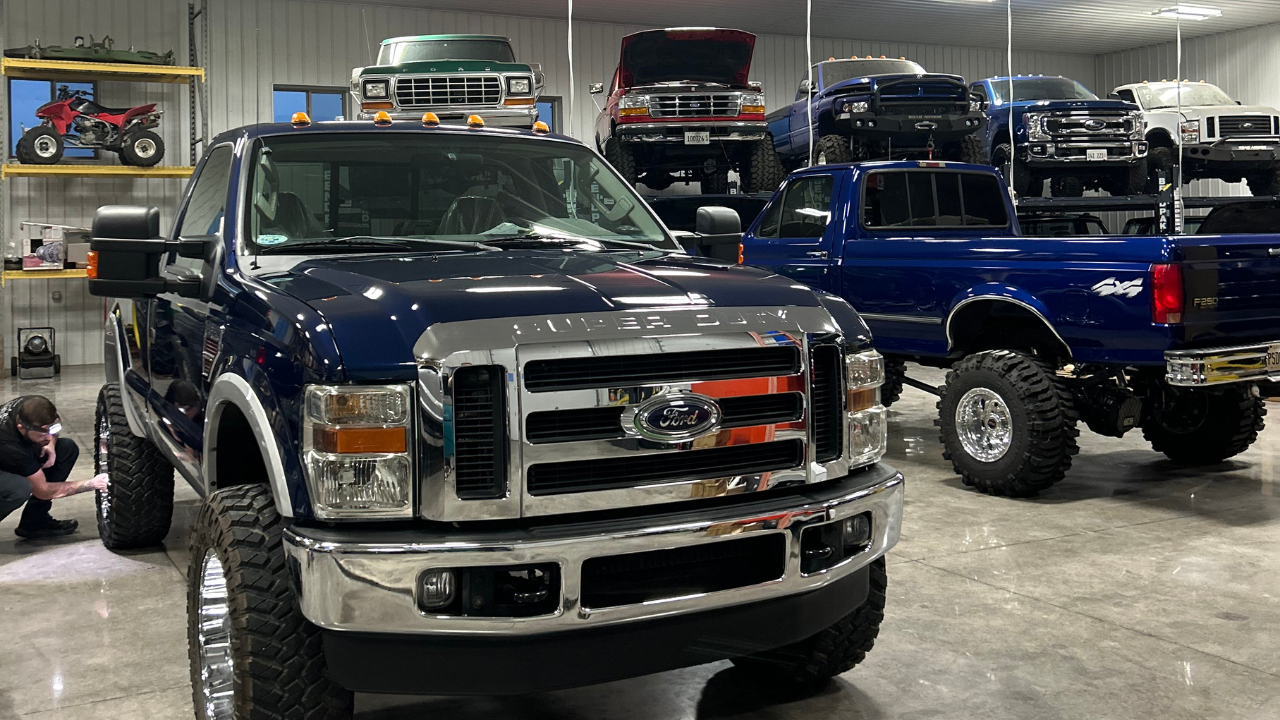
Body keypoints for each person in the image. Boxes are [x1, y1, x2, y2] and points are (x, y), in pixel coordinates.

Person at [0, 395, 107, 538]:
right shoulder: (9, 445)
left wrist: (50, 445)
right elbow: (43, 491)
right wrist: (92, 484)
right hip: (4, 457)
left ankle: (34, 523)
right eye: (43, 433)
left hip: (16, 451)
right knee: (19, 489)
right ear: (21, 428)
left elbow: (55, 422)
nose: (49, 437)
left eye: (50, 431)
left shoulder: (36, 407)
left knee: (66, 449)